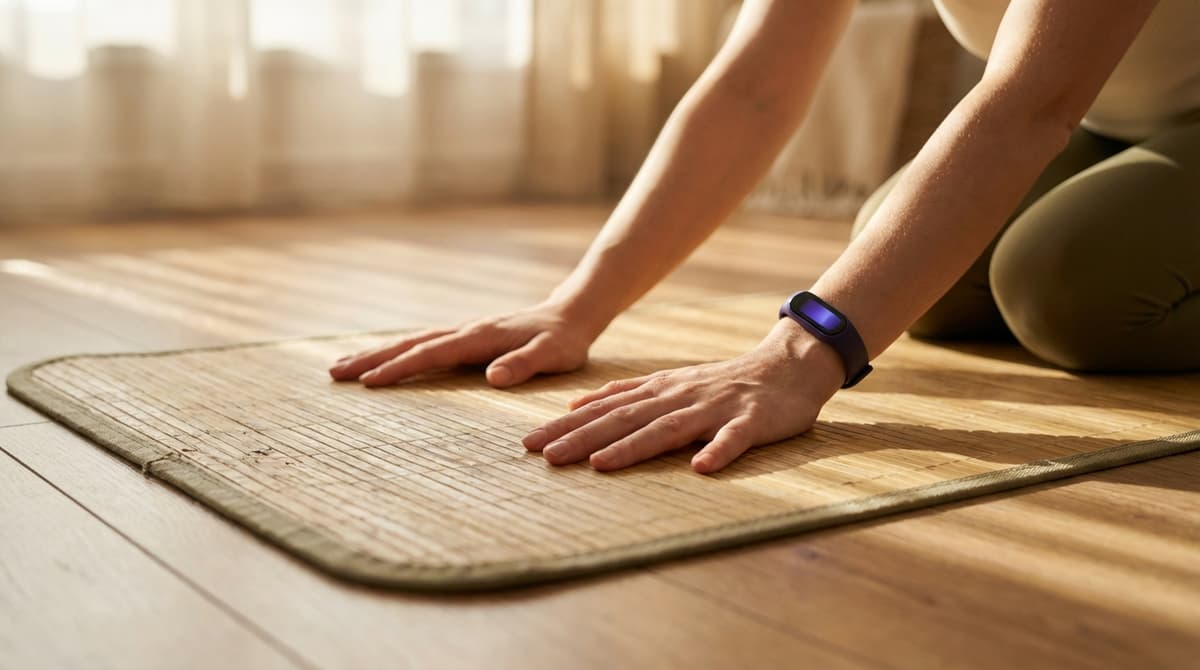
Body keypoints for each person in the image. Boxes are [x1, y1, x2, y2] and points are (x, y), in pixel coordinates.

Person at [330, 0, 1199, 474]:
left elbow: (1027, 104)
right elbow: (754, 88)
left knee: (1068, 287)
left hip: (1103, 112)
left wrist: (798, 354)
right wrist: (576, 306)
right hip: (1125, 116)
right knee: (916, 273)